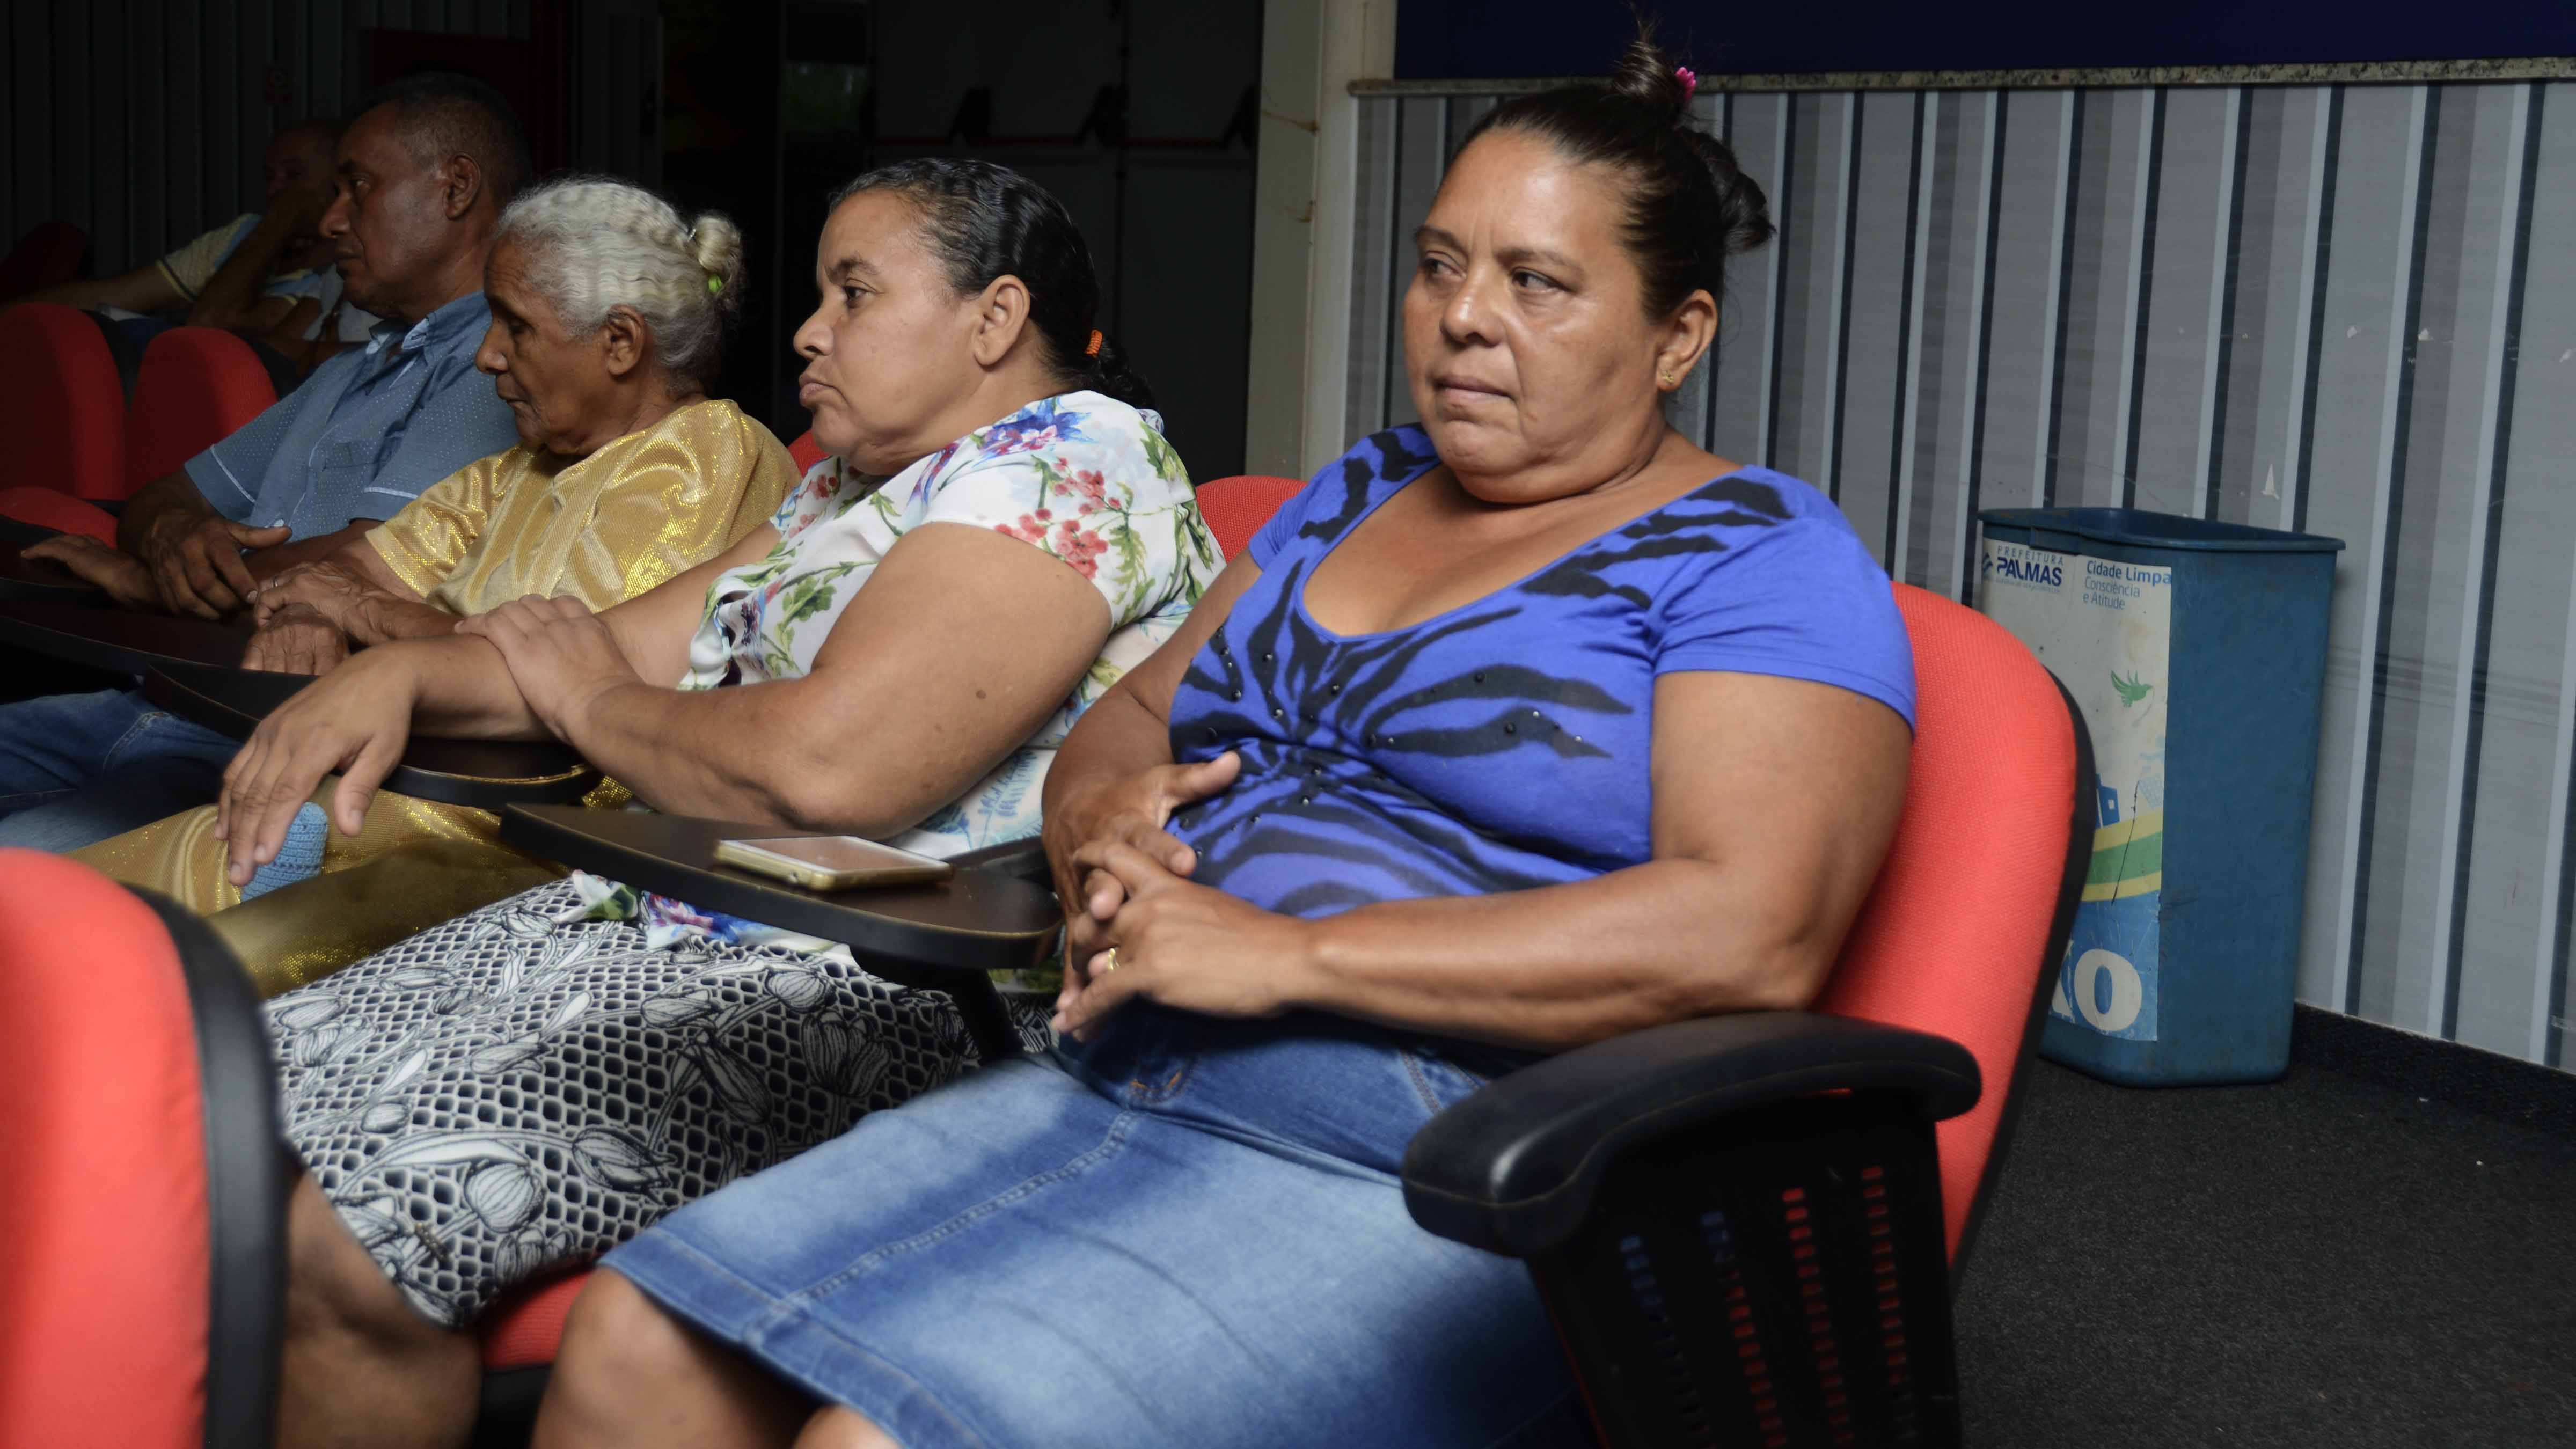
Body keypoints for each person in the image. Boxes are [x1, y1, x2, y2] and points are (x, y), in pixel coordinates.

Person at [529, 35, 1918, 1449]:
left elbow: (1753, 930)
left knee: (884, 1442)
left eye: (1537, 283)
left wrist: (1288, 955)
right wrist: (1096, 831)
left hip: (1452, 1144)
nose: (1462, 319)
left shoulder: (1759, 556)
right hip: (1142, 1056)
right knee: (639, 1344)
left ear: (1680, 333)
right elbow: (1129, 723)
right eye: (1440, 264)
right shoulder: (1357, 490)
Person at [210, 158, 1216, 1449]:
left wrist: (588, 707)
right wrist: (404, 668)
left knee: (350, 1233)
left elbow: (828, 769)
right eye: (817, 296)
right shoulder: (847, 482)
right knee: (240, 1092)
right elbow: (612, 646)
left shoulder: (1074, 462)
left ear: (992, 317)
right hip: (678, 915)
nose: (807, 329)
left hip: (896, 980)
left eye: (852, 292)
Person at [69, 177, 798, 978]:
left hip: (505, 845)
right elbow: (341, 570)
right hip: (382, 804)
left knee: (126, 959)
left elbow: (558, 671)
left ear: (621, 343)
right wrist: (307, 616)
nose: (487, 355)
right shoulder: (520, 469)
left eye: (515, 326)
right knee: (70, 915)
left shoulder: (707, 453)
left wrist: (367, 618)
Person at [0, 74, 531, 852]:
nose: (331, 218)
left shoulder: (494, 369)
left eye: (358, 187)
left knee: (23, 883)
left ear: (454, 190)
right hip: (172, 700)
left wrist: (156, 580)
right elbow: (164, 496)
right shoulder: (353, 369)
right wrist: (172, 535)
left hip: (273, 738)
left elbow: (369, 566)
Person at [5, 120, 365, 347]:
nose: (275, 191)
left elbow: (210, 329)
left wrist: (285, 216)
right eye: (269, 177)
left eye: (293, 176)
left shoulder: (347, 263)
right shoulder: (243, 233)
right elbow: (112, 295)